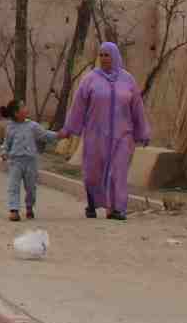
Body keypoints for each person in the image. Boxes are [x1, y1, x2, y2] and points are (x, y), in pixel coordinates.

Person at [61, 41, 151, 221]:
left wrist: (143, 132)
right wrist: (70, 128)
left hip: (123, 135)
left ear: (115, 56)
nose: (103, 58)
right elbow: (78, 105)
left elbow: (137, 107)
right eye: (101, 55)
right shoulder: (90, 79)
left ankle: (117, 208)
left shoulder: (128, 80)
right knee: (93, 173)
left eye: (107, 55)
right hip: (96, 134)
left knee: (118, 172)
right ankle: (92, 203)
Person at [0, 98, 58, 221]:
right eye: (23, 107)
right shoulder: (10, 127)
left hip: (31, 162)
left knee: (31, 188)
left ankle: (29, 206)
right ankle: (14, 210)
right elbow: (6, 143)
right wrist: (4, 152)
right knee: (13, 186)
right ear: (16, 113)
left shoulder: (32, 126)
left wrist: (60, 135)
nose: (26, 108)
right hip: (15, 162)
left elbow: (45, 135)